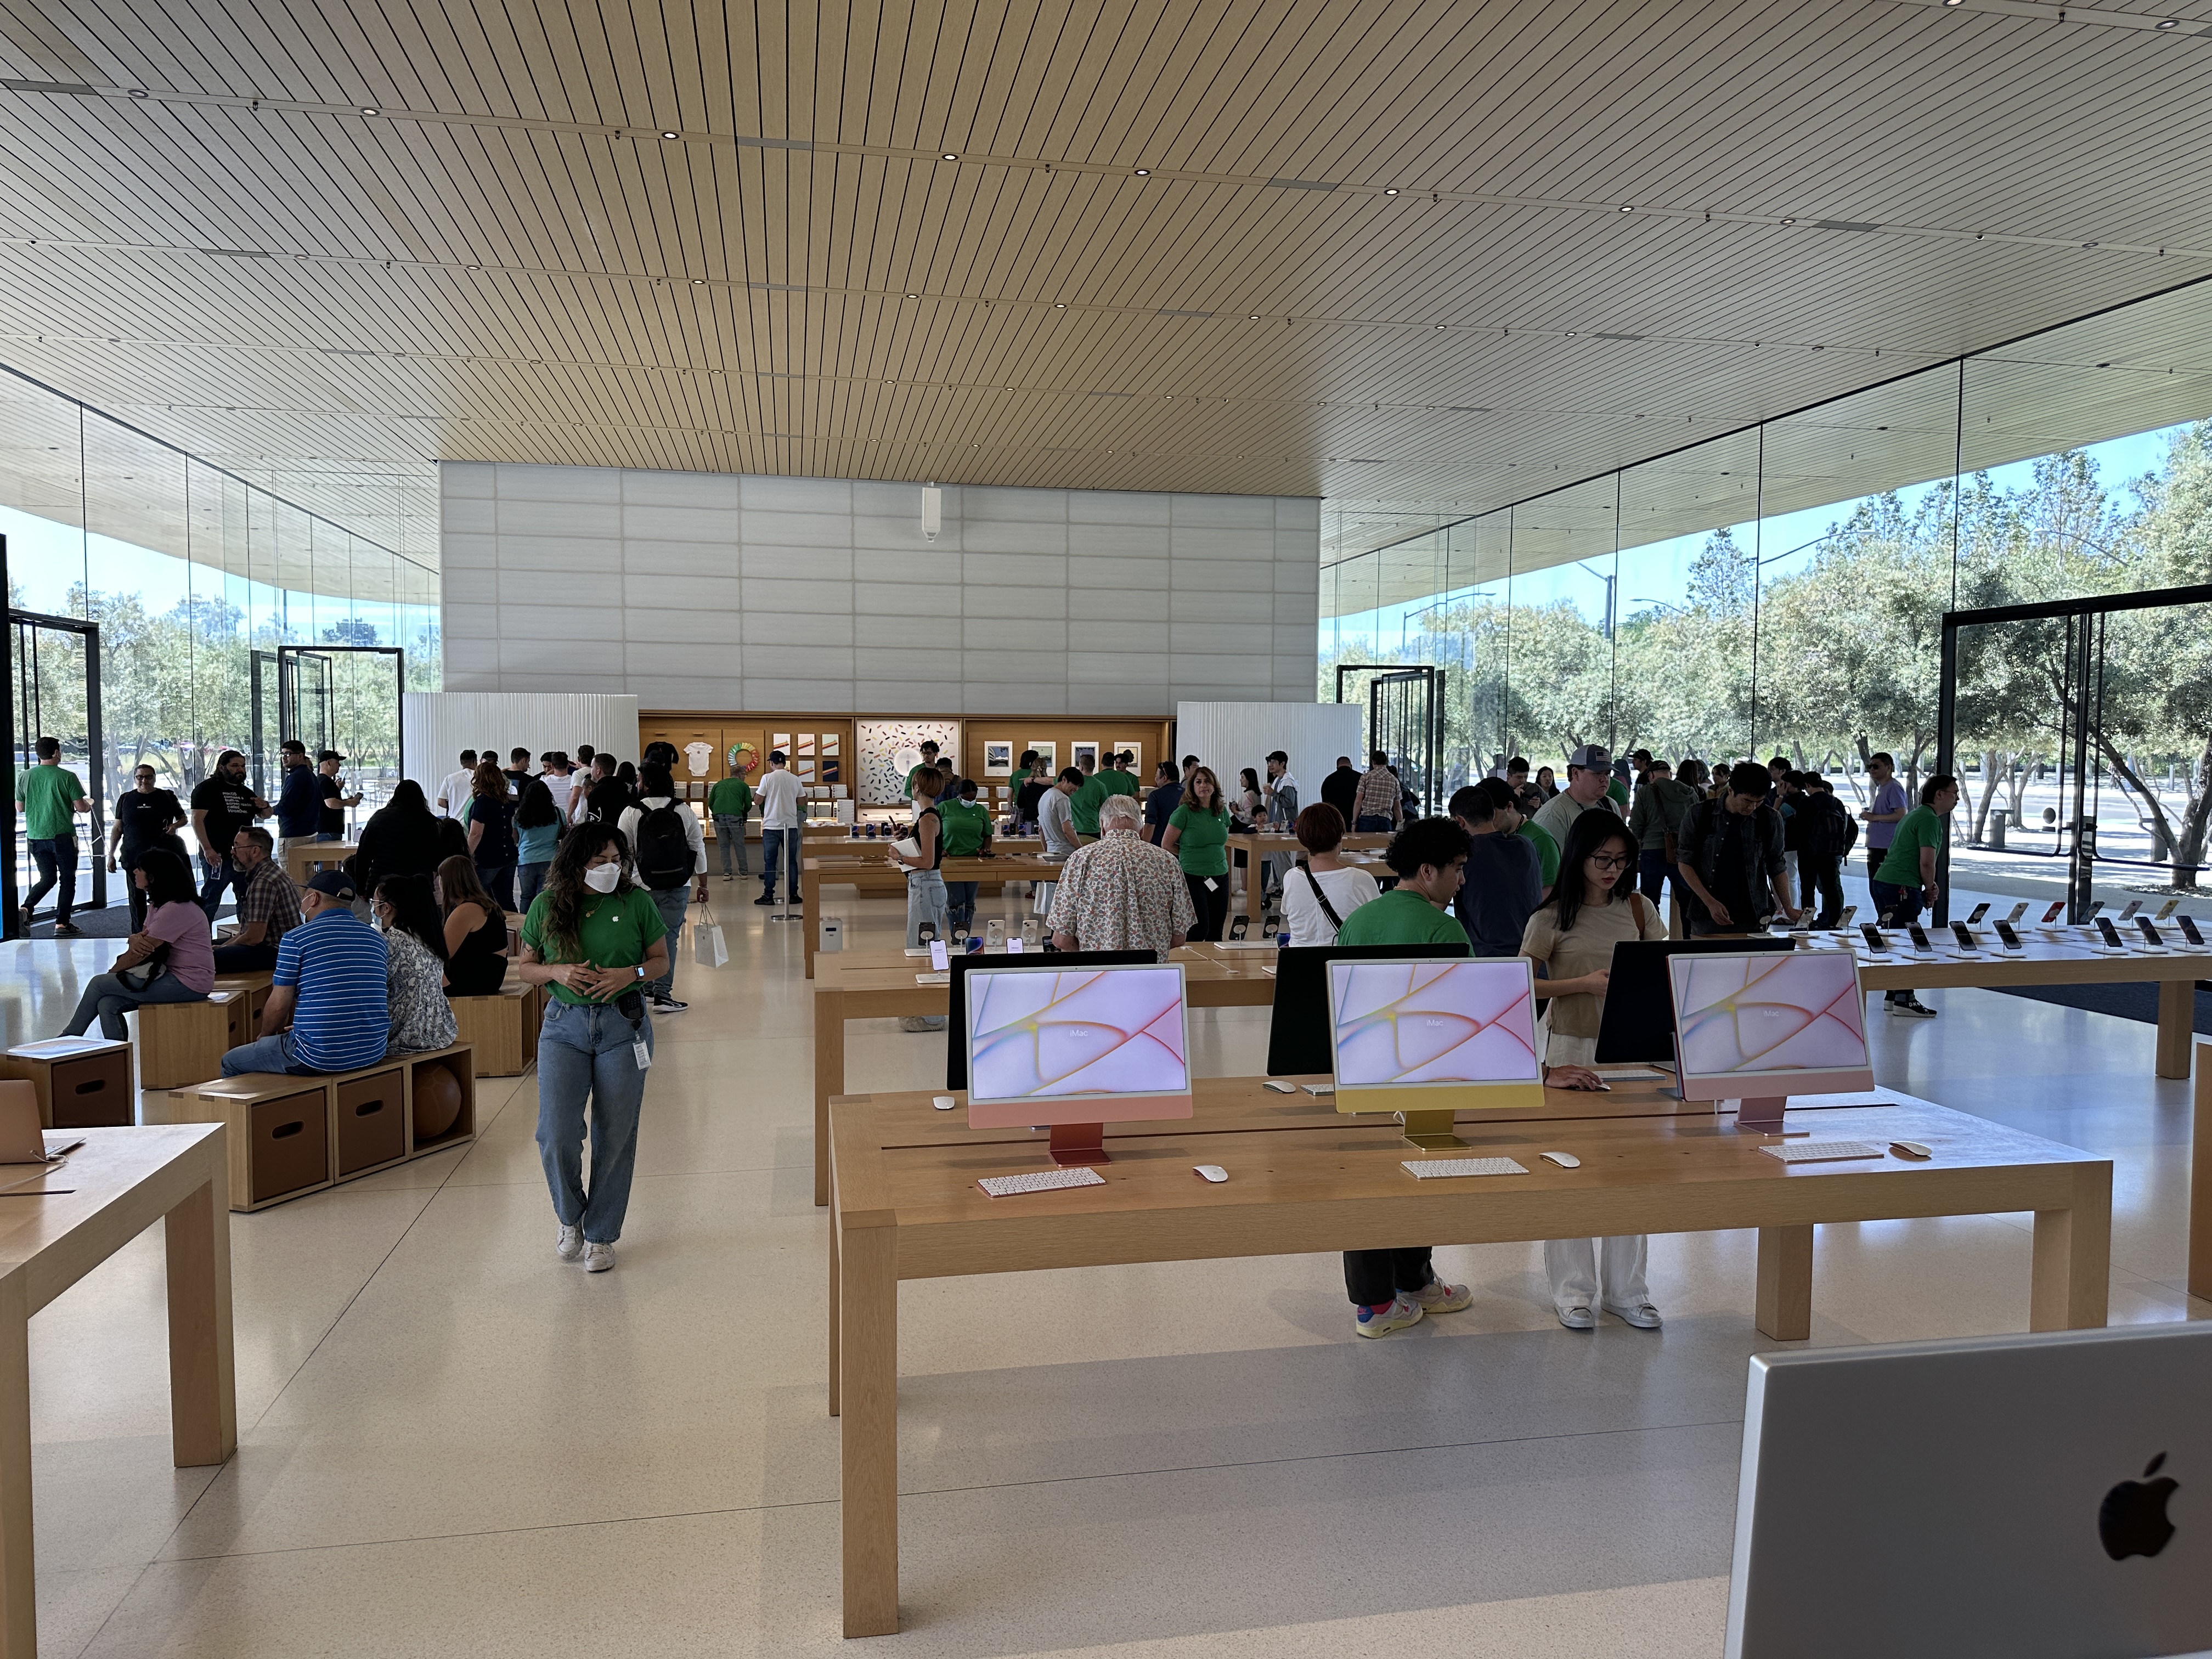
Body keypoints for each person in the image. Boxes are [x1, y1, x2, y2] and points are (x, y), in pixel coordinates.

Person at [1516, 810, 1668, 1330]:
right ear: (1579, 856)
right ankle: (1573, 1291)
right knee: (1571, 1170)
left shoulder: (1639, 908)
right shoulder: (1551, 917)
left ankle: (1629, 1290)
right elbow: (1519, 983)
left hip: (1631, 1050)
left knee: (1632, 1171)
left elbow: (1666, 968)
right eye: (1602, 859)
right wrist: (1579, 985)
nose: (1611, 869)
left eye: (1621, 861)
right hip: (1571, 1049)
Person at [1329, 815, 1479, 1338]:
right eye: (1457, 868)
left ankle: (1378, 1302)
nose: (1462, 879)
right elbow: (1468, 1010)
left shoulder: (1358, 922)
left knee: (1367, 1181)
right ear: (1427, 871)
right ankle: (1412, 1283)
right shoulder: (1445, 929)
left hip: (1361, 1069)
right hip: (1426, 1073)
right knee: (1421, 1170)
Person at [517, 823, 669, 1272]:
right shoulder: (547, 906)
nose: (610, 868)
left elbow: (660, 961)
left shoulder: (636, 902)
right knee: (556, 1132)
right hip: (563, 1028)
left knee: (615, 1134)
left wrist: (631, 975)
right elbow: (526, 967)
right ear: (576, 861)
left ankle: (601, 1235)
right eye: (600, 860)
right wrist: (556, 972)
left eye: (616, 860)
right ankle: (570, 1218)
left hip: (624, 1026)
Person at [219, 870, 389, 1077]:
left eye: (305, 895)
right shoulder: (376, 940)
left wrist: (266, 1036)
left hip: (317, 1056)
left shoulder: (296, 939)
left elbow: (279, 1005)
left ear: (314, 898)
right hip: (373, 1050)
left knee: (231, 1062)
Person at [58, 847, 213, 1039]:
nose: (134, 872)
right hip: (173, 976)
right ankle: (116, 1053)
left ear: (154, 876)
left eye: (140, 868)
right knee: (108, 1003)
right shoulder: (159, 905)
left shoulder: (176, 909)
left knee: (99, 984)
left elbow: (139, 953)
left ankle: (69, 1037)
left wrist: (112, 975)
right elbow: (140, 940)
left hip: (188, 983)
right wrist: (133, 938)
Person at [1048, 793, 1193, 959]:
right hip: (1151, 971)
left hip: (1098, 971)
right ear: (1141, 830)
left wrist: (1090, 954)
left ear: (1102, 827)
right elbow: (1179, 937)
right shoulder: (1168, 862)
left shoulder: (1080, 860)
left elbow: (1061, 940)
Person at [1675, 760, 1798, 936]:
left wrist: (1788, 908)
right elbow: (1685, 863)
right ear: (1731, 790)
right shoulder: (1700, 814)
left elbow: (1777, 866)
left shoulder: (1770, 818)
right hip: (1707, 915)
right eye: (1747, 801)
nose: (1752, 807)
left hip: (1756, 915)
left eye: (1759, 802)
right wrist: (1709, 902)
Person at [619, 765, 704, 1014]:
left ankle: (646, 987)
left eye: (640, 780)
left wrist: (622, 883)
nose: (637, 784)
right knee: (668, 939)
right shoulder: (684, 810)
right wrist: (704, 883)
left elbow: (624, 852)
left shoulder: (631, 812)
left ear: (645, 785)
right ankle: (663, 995)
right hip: (678, 884)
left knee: (641, 939)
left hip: (640, 884)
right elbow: (697, 846)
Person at [1870, 774, 1957, 1018]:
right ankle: (1904, 998)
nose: (1957, 798)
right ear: (1939, 794)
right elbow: (1927, 862)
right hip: (1901, 885)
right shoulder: (1929, 820)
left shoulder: (1915, 815)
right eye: (1954, 793)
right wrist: (1930, 889)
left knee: (1895, 938)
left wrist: (1928, 886)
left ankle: (1893, 994)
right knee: (1907, 940)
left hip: (1885, 881)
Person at [1449, 783, 1541, 956]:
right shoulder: (1527, 846)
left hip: (1487, 960)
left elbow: (1436, 906)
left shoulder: (1464, 855)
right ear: (1492, 814)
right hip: (1532, 956)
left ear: (1460, 822)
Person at [15, 735, 92, 936]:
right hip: (62, 837)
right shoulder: (68, 777)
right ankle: (62, 924)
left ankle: (26, 909)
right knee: (67, 880)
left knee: (47, 878)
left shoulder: (24, 777)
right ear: (57, 753)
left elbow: (20, 807)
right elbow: (81, 807)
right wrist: (89, 804)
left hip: (35, 836)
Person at [372, 873, 456, 1055]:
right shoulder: (428, 938)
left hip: (404, 1034)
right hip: (438, 1030)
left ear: (386, 908)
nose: (372, 909)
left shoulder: (389, 942)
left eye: (374, 902)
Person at [1278, 802, 1379, 946]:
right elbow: (1376, 925)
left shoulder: (1291, 878)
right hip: (1343, 959)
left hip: (1298, 958)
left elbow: (1288, 912)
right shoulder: (1361, 879)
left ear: (1303, 839)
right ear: (1340, 836)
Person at [190, 748, 268, 924]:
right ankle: (201, 935)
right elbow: (197, 820)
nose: (240, 769)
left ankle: (246, 934)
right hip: (217, 855)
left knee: (246, 898)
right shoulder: (207, 789)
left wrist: (265, 805)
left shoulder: (246, 792)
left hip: (244, 857)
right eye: (235, 766)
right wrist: (207, 849)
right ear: (222, 767)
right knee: (211, 898)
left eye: (243, 766)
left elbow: (265, 815)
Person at [211, 826, 302, 972]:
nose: (233, 851)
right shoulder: (271, 872)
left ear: (255, 851)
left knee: (205, 959)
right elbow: (247, 932)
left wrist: (222, 949)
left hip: (277, 952)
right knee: (204, 948)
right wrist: (223, 947)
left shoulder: (264, 881)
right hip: (277, 946)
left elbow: (254, 938)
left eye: (237, 847)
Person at [109, 763, 187, 932]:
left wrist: (174, 826)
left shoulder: (166, 796)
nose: (144, 780)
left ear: (154, 778)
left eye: (148, 777)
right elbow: (118, 828)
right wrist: (111, 855)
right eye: (140, 777)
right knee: (136, 898)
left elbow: (184, 818)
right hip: (133, 856)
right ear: (135, 779)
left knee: (164, 895)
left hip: (161, 857)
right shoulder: (126, 799)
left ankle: (163, 931)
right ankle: (139, 934)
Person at [356, 780, 465, 896]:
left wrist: (361, 889)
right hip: (418, 886)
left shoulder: (378, 819)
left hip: (382, 885)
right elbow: (435, 857)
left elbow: (363, 856)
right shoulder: (427, 821)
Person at [1163, 765, 1234, 941]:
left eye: (1207, 782)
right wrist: (1188, 854)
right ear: (1192, 787)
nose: (1203, 786)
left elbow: (1221, 839)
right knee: (1200, 929)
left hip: (1219, 876)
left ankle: (1214, 959)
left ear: (1214, 786)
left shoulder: (1221, 810)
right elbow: (1167, 844)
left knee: (1216, 930)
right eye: (1199, 782)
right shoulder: (1184, 812)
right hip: (1193, 877)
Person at [1627, 758, 1697, 916]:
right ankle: (1689, 932)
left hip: (1652, 851)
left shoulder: (1645, 792)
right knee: (1687, 902)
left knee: (1650, 903)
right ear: (1669, 775)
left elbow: (1636, 825)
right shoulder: (1689, 792)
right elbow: (1696, 823)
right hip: (1681, 853)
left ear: (1651, 775)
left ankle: (1654, 932)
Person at [437, 854, 510, 996]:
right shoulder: (485, 904)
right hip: (490, 976)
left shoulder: (466, 910)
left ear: (448, 881)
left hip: (476, 978)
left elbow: (444, 954)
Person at [1531, 743, 1615, 849]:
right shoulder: (1553, 816)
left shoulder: (1611, 805)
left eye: (1607, 774)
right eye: (1597, 773)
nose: (1604, 779)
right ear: (1576, 773)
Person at [461, 759, 520, 911]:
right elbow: (511, 830)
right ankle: (514, 926)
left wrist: (466, 856)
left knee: (478, 899)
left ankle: (487, 924)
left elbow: (476, 834)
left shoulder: (482, 803)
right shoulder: (506, 801)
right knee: (506, 901)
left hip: (488, 859)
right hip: (508, 855)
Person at [939, 777, 994, 935]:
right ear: (958, 794)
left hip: (974, 860)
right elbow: (934, 832)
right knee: (956, 901)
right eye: (966, 798)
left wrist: (985, 849)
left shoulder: (981, 810)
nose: (970, 801)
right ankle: (957, 936)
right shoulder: (944, 807)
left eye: (973, 798)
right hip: (950, 861)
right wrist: (939, 849)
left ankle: (966, 934)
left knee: (969, 902)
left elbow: (987, 835)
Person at [1798, 775, 1854, 927]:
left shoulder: (1807, 803)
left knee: (1808, 888)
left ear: (1807, 785)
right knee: (1831, 888)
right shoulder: (1837, 803)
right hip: (1832, 852)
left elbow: (1800, 829)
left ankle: (1807, 922)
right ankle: (1834, 922)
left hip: (1809, 852)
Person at [754, 749, 805, 906]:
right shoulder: (795, 779)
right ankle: (793, 894)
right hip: (790, 826)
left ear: (771, 763)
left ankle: (768, 895)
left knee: (770, 862)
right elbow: (802, 801)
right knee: (791, 861)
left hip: (771, 826)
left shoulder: (767, 778)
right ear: (784, 763)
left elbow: (758, 800)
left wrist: (758, 796)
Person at [513, 777, 563, 909]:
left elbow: (515, 839)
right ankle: (543, 921)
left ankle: (525, 921)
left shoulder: (519, 816)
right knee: (545, 898)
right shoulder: (558, 813)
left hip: (526, 860)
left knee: (526, 897)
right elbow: (561, 834)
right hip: (550, 859)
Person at [1859, 751, 1909, 882]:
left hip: (1886, 846)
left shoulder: (1894, 787)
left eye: (1876, 766)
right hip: (1878, 845)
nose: (1872, 770)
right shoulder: (1883, 787)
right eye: (1870, 767)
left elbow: (1901, 814)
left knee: (1882, 885)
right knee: (1875, 885)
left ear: (1889, 767)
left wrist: (1874, 817)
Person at [273, 739, 323, 866]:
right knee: (307, 875)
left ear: (300, 756)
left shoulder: (295, 777)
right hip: (309, 834)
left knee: (291, 875)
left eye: (288, 754)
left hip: (293, 836)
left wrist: (269, 810)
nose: (284, 758)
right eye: (282, 754)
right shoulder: (310, 776)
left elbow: (285, 806)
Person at [1513, 781, 1562, 891]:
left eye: (1524, 777)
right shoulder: (1497, 836)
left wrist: (1539, 805)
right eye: (1519, 777)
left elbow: (1548, 889)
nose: (1522, 781)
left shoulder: (1541, 839)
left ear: (1509, 806)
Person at [707, 768, 753, 881]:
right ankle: (743, 872)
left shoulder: (718, 784)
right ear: (740, 775)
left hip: (718, 817)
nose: (745, 777)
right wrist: (743, 813)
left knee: (723, 846)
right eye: (744, 775)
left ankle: (727, 873)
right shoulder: (744, 786)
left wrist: (717, 813)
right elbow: (748, 804)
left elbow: (710, 803)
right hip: (735, 816)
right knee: (739, 844)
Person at [315, 751, 360, 845]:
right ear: (328, 763)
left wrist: (338, 790)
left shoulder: (320, 780)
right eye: (337, 762)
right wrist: (349, 803)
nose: (339, 765)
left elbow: (326, 801)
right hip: (328, 832)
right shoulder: (326, 782)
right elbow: (331, 803)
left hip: (325, 831)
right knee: (329, 855)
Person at [1037, 765, 1082, 856]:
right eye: (1075, 784)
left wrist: (1047, 851)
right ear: (1064, 780)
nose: (1076, 789)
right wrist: (1081, 850)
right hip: (1065, 852)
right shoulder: (1062, 798)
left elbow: (1041, 830)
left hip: (1051, 851)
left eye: (1079, 786)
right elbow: (1067, 830)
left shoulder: (1045, 796)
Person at [1351, 749, 1400, 833]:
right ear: (1386, 762)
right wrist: (1400, 827)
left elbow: (1358, 801)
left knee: (1365, 841)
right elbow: (1397, 807)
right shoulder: (1394, 780)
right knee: (1383, 842)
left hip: (1367, 819)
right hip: (1385, 820)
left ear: (1373, 762)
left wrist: (1354, 823)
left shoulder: (1366, 777)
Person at [1143, 759, 1182, 845]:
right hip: (1183, 845)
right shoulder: (1188, 795)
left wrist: (1144, 845)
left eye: (1156, 776)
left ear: (1164, 778)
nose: (1155, 779)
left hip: (1159, 845)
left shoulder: (1155, 796)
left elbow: (1150, 824)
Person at [436, 750, 478, 818]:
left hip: (454, 821)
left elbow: (441, 802)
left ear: (461, 763)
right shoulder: (480, 777)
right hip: (472, 820)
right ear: (475, 762)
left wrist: (455, 807)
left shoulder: (449, 778)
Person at [1014, 761, 1051, 835]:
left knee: (1030, 841)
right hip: (1047, 820)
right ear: (1046, 768)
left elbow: (1020, 804)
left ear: (1032, 768)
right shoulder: (1050, 786)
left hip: (1030, 819)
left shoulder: (1026, 784)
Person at [1321, 755, 1360, 822]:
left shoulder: (1328, 780)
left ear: (1337, 767)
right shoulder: (1360, 778)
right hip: (1356, 819)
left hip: (1336, 819)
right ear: (1351, 766)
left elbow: (1325, 803)